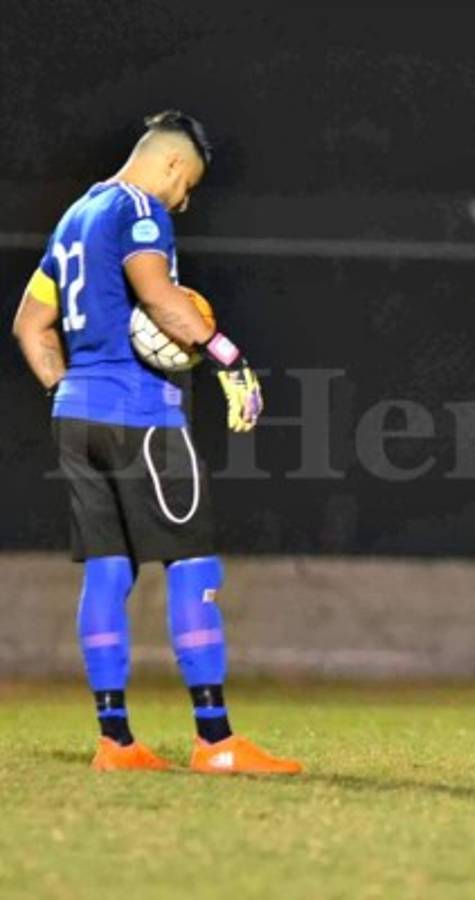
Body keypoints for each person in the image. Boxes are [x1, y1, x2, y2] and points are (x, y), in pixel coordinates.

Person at [11, 111, 301, 775]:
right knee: (193, 564)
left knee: (107, 571)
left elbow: (30, 327)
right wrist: (230, 359)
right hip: (142, 417)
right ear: (171, 165)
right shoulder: (142, 209)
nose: (185, 199)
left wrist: (71, 388)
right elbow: (162, 298)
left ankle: (115, 743)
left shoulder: (73, 219)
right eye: (188, 184)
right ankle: (217, 742)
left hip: (77, 417)